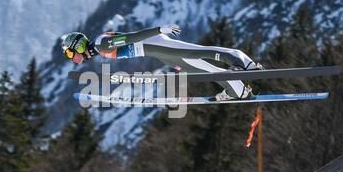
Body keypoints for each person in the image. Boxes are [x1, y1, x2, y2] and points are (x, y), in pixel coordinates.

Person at [60, 25, 264, 101]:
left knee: (199, 53)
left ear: (78, 46)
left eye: (71, 54)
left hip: (156, 44)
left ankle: (243, 61)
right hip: (156, 52)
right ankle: (237, 89)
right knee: (199, 67)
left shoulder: (101, 43)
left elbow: (132, 37)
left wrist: (158, 30)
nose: (74, 59)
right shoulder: (99, 48)